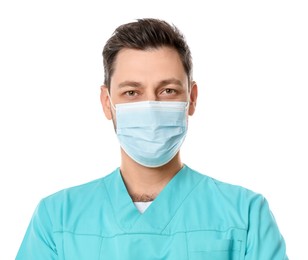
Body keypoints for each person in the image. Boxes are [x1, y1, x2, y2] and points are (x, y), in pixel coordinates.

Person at [16, 18, 288, 259]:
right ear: (106, 102)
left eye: (168, 91)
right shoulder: (57, 220)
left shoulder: (246, 215)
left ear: (191, 99)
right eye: (132, 93)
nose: (150, 106)